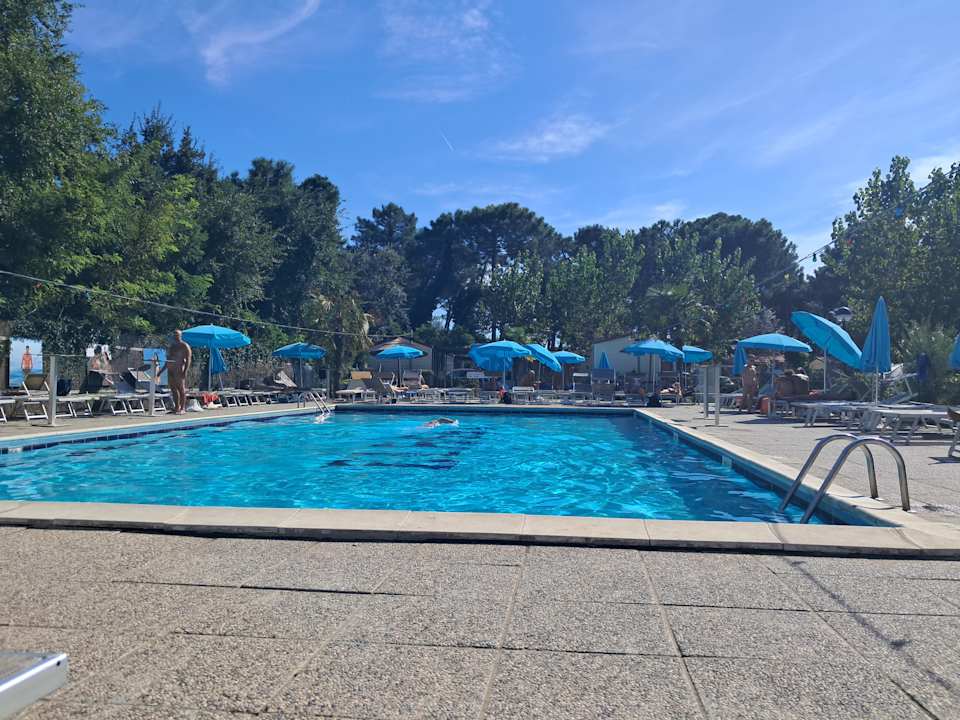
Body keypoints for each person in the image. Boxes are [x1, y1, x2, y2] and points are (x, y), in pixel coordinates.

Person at [164, 330, 192, 414]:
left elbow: (188, 359)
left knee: (181, 389)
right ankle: (176, 407)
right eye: (174, 335)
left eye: (177, 335)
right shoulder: (172, 346)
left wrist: (185, 371)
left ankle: (182, 408)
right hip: (171, 370)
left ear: (180, 335)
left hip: (179, 370)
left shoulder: (184, 346)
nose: (175, 336)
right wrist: (161, 371)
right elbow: (168, 360)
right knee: (173, 389)